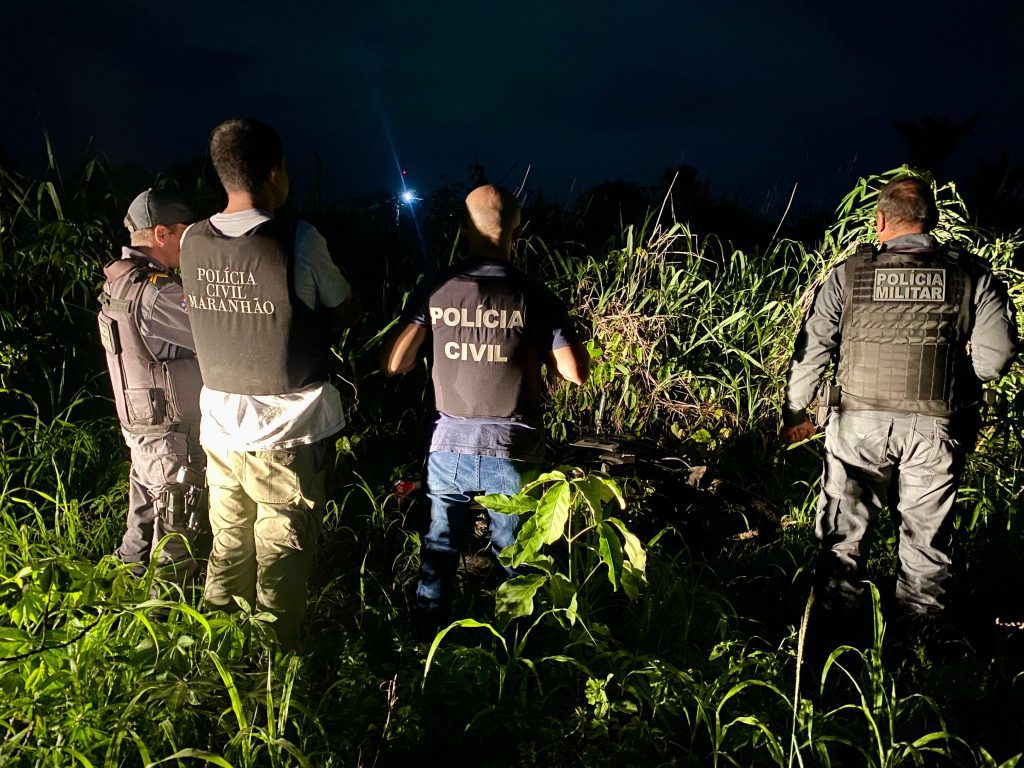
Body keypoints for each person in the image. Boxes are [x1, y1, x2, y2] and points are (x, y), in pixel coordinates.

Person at [781, 175, 1019, 640]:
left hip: (857, 424)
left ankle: (831, 639)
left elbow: (811, 351)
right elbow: (997, 355)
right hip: (935, 427)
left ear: (881, 219)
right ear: (931, 219)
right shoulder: (970, 273)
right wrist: (961, 382)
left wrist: (796, 412)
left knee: (842, 537)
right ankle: (922, 648)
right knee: (926, 543)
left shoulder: (850, 273)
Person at [178, 118, 359, 650]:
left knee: (228, 545)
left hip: (219, 430)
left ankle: (216, 657)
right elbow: (343, 308)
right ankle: (270, 673)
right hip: (287, 431)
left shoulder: (191, 239)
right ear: (276, 173)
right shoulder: (298, 238)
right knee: (280, 551)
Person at [381, 184, 590, 633]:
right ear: (517, 228)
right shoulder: (535, 295)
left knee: (439, 551)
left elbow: (396, 362)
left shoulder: (437, 290)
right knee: (517, 559)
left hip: (449, 447)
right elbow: (575, 373)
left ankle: (424, 643)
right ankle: (518, 649)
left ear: (463, 228)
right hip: (514, 450)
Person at [98, 188, 205, 587]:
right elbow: (215, 336)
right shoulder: (158, 293)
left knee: (139, 531)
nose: (188, 243)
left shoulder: (119, 284)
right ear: (161, 233)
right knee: (176, 538)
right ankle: (160, 630)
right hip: (168, 435)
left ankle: (116, 605)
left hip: (142, 427)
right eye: (183, 233)